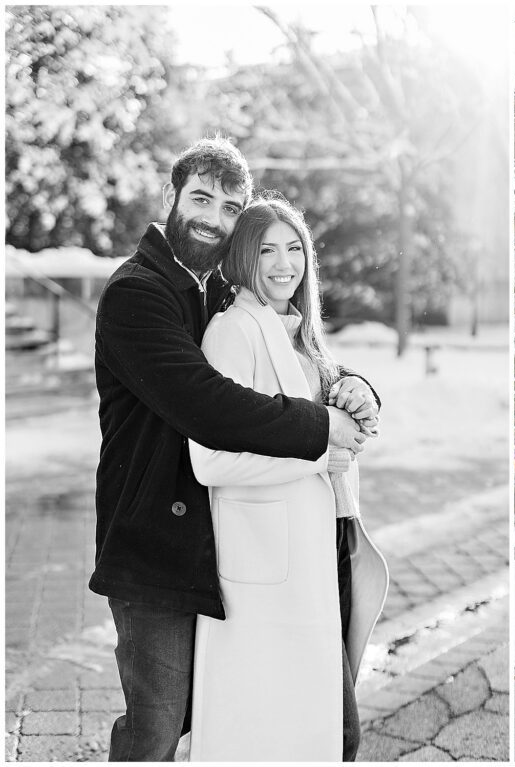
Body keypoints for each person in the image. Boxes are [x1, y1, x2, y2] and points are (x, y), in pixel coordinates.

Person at [91, 137, 380, 762]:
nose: (214, 218)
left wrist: (352, 385)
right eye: (201, 198)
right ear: (172, 198)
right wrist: (320, 430)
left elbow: (289, 352)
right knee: (157, 727)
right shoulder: (137, 293)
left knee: (233, 714)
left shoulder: (213, 289)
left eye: (230, 207)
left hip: (221, 540)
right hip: (155, 546)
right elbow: (205, 402)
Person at [186, 196, 388, 761]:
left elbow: (334, 432)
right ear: (242, 261)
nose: (283, 263)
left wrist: (356, 395)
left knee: (325, 728)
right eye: (267, 249)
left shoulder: (302, 337)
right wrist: (316, 456)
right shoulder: (232, 332)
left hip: (321, 552)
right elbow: (210, 461)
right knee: (267, 730)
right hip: (263, 573)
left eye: (294, 247)